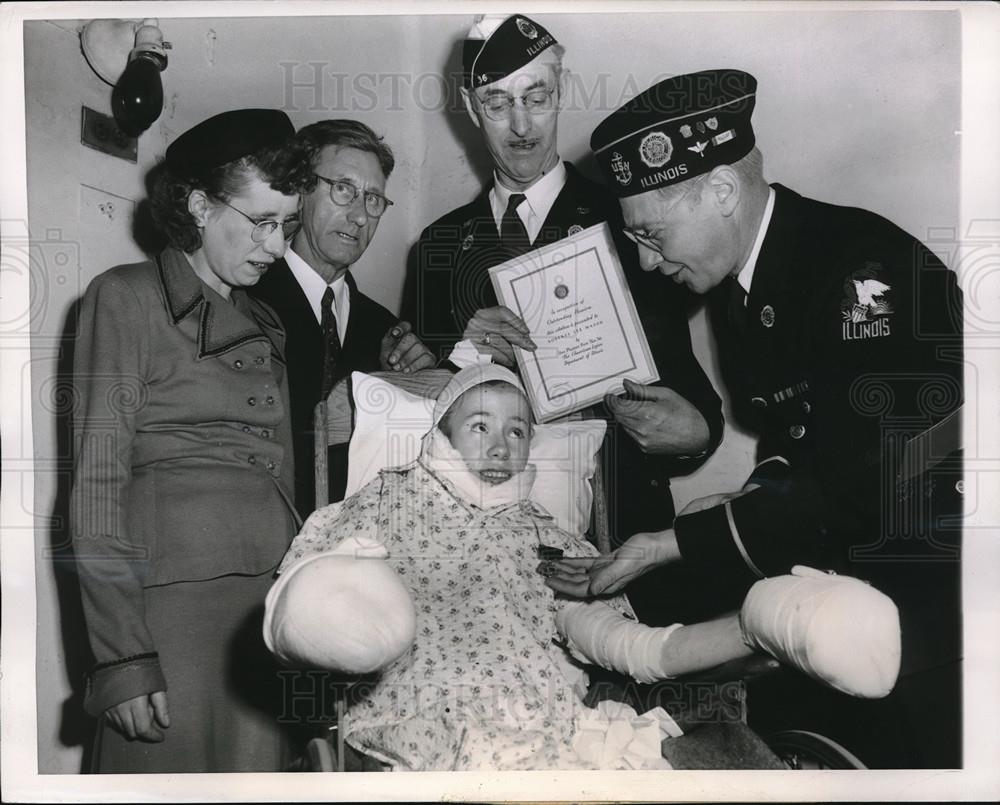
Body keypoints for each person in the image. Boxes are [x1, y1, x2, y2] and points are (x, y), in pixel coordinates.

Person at [547, 69, 963, 768]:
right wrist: (725, 509)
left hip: (931, 573)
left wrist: (678, 539)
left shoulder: (862, 271)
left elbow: (856, 481)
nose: (647, 262)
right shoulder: (745, 289)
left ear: (719, 191)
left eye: (652, 234)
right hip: (841, 551)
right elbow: (791, 440)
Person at [264, 365, 904, 771]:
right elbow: (317, 580)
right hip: (425, 705)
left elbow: (609, 638)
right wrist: (339, 609)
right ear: (443, 437)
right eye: (479, 425)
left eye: (518, 431)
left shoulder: (542, 531)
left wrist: (745, 631)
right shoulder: (390, 498)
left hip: (542, 711)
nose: (500, 444)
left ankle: (759, 621)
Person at [404, 14, 724, 624]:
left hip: (615, 542)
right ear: (471, 109)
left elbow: (695, 412)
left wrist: (693, 434)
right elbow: (419, 410)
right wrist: (455, 351)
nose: (521, 125)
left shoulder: (630, 223)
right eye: (498, 102)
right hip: (477, 555)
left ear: (562, 91)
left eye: (537, 97)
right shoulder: (438, 247)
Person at [70, 108, 311, 772]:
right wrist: (121, 656)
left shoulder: (265, 320)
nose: (278, 245)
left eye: (287, 224)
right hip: (171, 611)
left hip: (263, 608)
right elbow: (95, 486)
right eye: (261, 222)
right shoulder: (125, 297)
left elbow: (279, 472)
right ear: (201, 205)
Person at [250, 120, 435, 514]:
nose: (360, 216)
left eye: (373, 200)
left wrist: (411, 384)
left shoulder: (386, 328)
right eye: (343, 189)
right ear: (301, 191)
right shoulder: (248, 297)